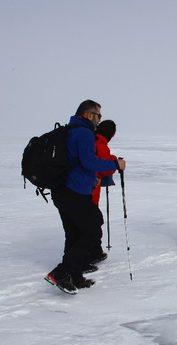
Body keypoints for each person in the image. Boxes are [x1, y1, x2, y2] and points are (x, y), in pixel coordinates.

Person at [45, 100, 126, 294]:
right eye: (98, 116)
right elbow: (89, 162)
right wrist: (115, 164)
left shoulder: (72, 130)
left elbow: (79, 162)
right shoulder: (83, 133)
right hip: (73, 191)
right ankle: (62, 273)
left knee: (74, 233)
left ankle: (75, 275)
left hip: (62, 189)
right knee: (92, 227)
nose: (99, 120)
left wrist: (91, 178)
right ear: (89, 115)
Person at [88, 120, 118, 265]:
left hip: (80, 190)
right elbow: (104, 168)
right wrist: (115, 161)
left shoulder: (91, 140)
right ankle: (91, 254)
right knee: (93, 222)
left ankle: (92, 253)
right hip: (89, 191)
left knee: (87, 223)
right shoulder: (100, 144)